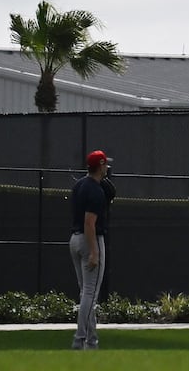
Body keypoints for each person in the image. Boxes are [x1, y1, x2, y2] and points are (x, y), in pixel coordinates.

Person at [68, 149, 114, 350]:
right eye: (105, 164)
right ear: (100, 166)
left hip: (74, 240)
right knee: (90, 294)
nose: (107, 168)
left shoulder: (79, 185)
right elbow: (89, 223)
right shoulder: (95, 191)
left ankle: (92, 342)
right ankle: (80, 340)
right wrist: (94, 251)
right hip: (90, 240)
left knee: (86, 293)